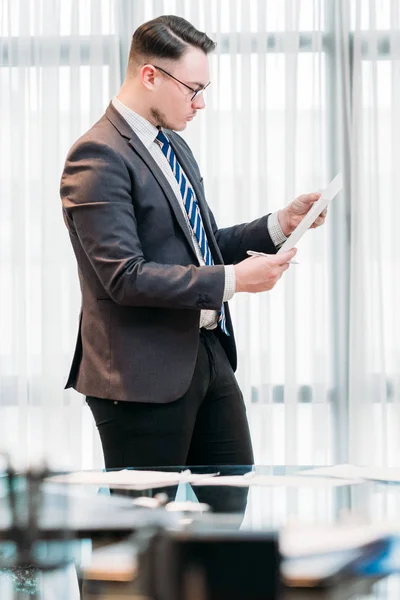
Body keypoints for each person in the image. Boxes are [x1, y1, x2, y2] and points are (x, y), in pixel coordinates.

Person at [60, 15, 325, 471]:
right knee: (146, 533)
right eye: (193, 88)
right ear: (149, 76)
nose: (200, 103)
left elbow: (202, 247)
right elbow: (125, 277)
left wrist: (281, 223)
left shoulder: (173, 146)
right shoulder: (97, 154)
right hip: (139, 377)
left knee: (230, 521)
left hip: (208, 355)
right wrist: (233, 281)